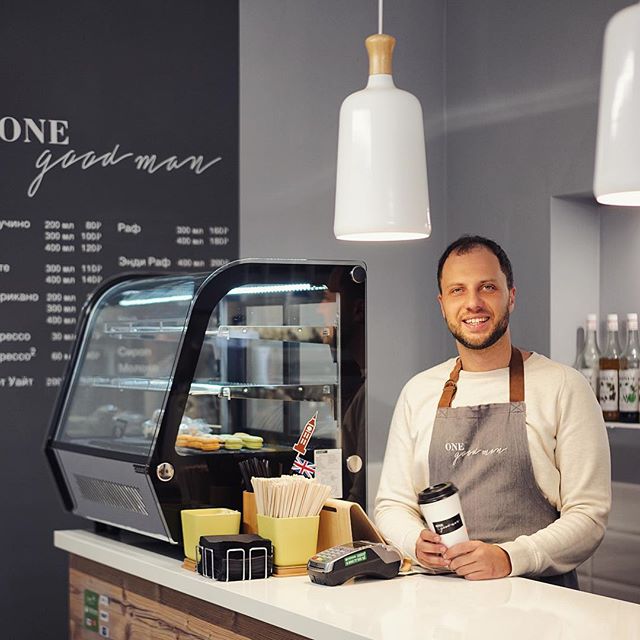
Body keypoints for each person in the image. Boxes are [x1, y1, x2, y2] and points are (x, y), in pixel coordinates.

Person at [374, 235, 611, 587]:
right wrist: (414, 542)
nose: (473, 303)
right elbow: (392, 505)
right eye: (457, 290)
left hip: (539, 600)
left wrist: (509, 557)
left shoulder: (564, 386)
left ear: (510, 296)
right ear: (442, 304)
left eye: (487, 287)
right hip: (438, 600)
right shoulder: (418, 392)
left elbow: (589, 517)